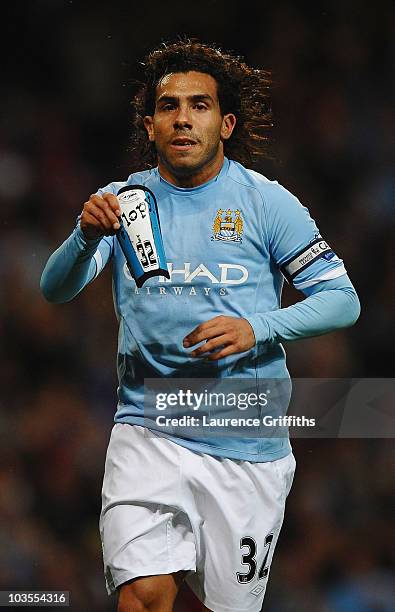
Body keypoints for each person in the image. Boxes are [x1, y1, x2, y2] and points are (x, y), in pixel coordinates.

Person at [40, 39, 360, 612]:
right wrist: (83, 235)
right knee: (144, 596)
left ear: (226, 123)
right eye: (169, 107)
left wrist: (257, 327)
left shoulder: (267, 203)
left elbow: (342, 300)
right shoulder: (123, 203)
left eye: (200, 105)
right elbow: (55, 288)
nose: (183, 117)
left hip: (246, 442)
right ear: (151, 125)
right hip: (148, 428)